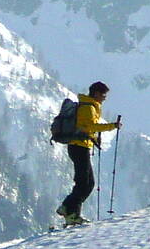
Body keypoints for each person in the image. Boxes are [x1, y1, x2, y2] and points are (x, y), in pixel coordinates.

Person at [57, 81, 121, 226]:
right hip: (80, 147)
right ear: (96, 93)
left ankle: (70, 212)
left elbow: (87, 127)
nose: (105, 98)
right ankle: (69, 209)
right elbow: (90, 126)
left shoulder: (89, 106)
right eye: (103, 94)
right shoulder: (88, 108)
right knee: (85, 183)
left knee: (86, 182)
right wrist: (112, 126)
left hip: (79, 146)